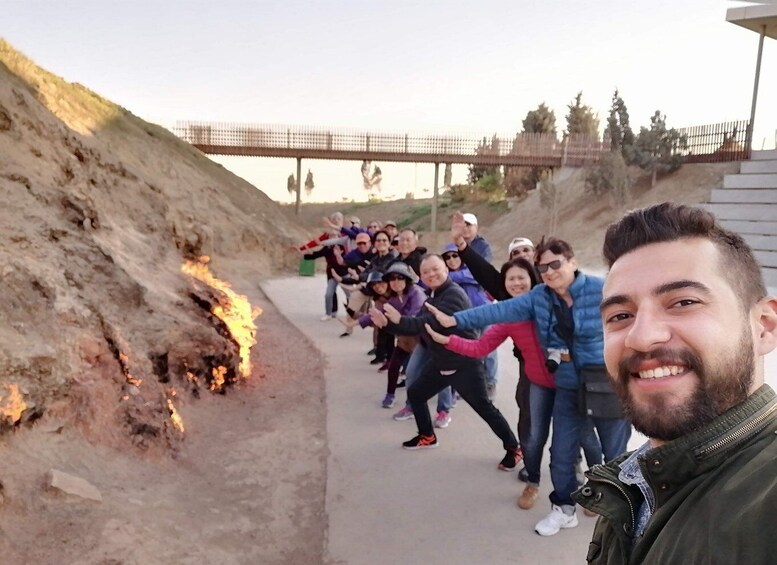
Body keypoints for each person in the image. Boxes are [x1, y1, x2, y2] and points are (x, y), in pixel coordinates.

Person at [572, 203, 777, 563]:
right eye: (621, 315)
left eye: (683, 302)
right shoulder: (632, 479)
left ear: (764, 325)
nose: (641, 337)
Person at [428, 237, 632, 536]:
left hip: (605, 383)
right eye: (543, 267)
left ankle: (618, 509)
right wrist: (453, 320)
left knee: (613, 452)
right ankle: (563, 509)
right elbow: (497, 312)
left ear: (571, 262)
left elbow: (638, 315)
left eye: (555, 264)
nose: (549, 272)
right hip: (566, 387)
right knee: (561, 454)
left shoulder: (601, 288)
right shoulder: (539, 297)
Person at [370, 255, 521, 471]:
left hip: (464, 363)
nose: (431, 274)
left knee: (484, 408)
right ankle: (427, 435)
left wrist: (397, 320)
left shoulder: (453, 295)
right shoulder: (432, 298)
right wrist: (388, 324)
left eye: (435, 269)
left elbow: (427, 323)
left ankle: (514, 447)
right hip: (440, 362)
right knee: (416, 394)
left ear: (446, 270)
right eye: (426, 272)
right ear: (421, 277)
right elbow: (415, 327)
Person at [425, 257, 557, 507]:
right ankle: (533, 481)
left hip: (565, 378)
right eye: (511, 279)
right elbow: (481, 347)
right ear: (504, 285)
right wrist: (448, 340)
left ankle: (574, 482)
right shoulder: (508, 316)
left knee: (569, 434)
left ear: (533, 279)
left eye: (521, 277)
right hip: (533, 379)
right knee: (530, 432)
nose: (517, 283)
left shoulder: (552, 303)